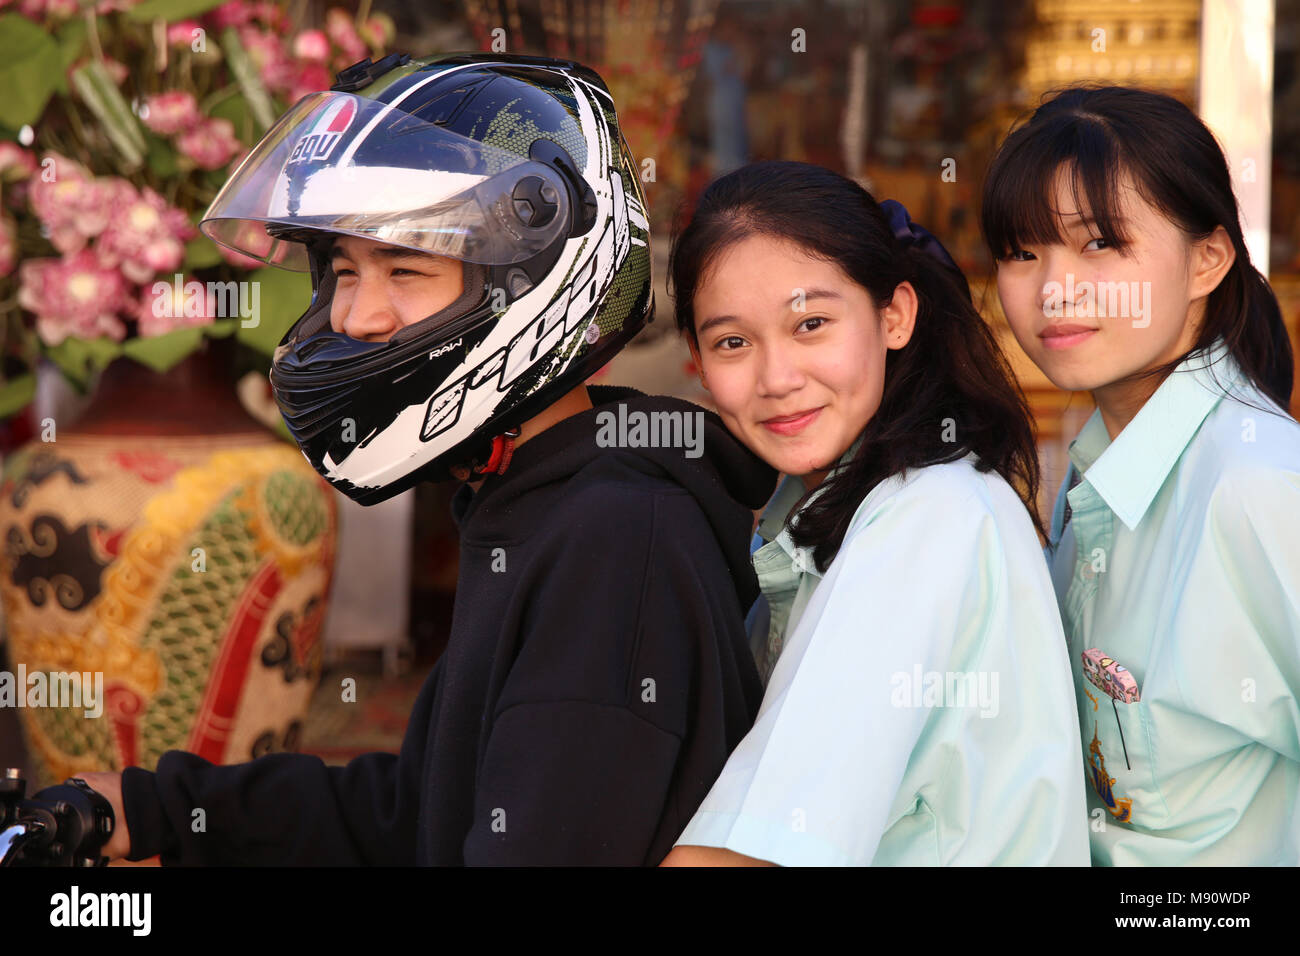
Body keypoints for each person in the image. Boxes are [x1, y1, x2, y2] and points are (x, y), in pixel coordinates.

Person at [77, 53, 775, 866]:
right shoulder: (536, 496)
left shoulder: (615, 541)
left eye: (405, 269)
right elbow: (421, 811)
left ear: (528, 283)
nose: (360, 315)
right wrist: (154, 809)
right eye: (344, 272)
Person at [660, 160, 1090, 866]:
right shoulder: (852, 503)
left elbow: (749, 855)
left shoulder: (926, 517)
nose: (777, 379)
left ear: (895, 316)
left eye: (812, 324)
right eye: (733, 342)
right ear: (699, 364)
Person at [980, 85, 1300, 865]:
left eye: (1099, 244)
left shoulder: (1259, 486)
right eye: (1023, 252)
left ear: (1208, 259)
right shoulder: (1093, 475)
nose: (1054, 288)